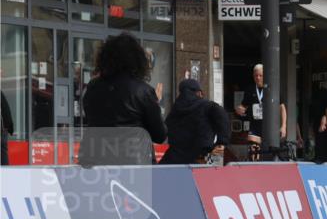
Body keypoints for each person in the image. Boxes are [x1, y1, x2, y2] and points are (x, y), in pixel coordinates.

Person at [79, 32, 167, 165]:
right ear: (137, 60)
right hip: (133, 165)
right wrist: (156, 104)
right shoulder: (143, 91)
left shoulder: (92, 87)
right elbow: (159, 135)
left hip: (96, 163)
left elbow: (91, 118)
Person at [159, 79, 229, 165]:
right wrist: (222, 142)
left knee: (160, 175)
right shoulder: (207, 105)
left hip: (175, 158)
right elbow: (222, 115)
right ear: (199, 93)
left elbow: (165, 129)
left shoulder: (175, 109)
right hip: (200, 157)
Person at [235, 64, 286, 143]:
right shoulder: (250, 90)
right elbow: (243, 106)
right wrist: (239, 109)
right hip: (255, 126)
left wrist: (283, 126)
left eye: (260, 75)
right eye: (256, 75)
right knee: (253, 147)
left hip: (270, 126)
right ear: (253, 76)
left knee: (269, 151)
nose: (258, 78)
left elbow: (282, 108)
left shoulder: (273, 89)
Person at [1, 90, 12, 166]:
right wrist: (10, 128)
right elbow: (6, 110)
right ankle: (6, 173)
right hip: (3, 130)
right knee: (3, 152)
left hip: (2, 130)